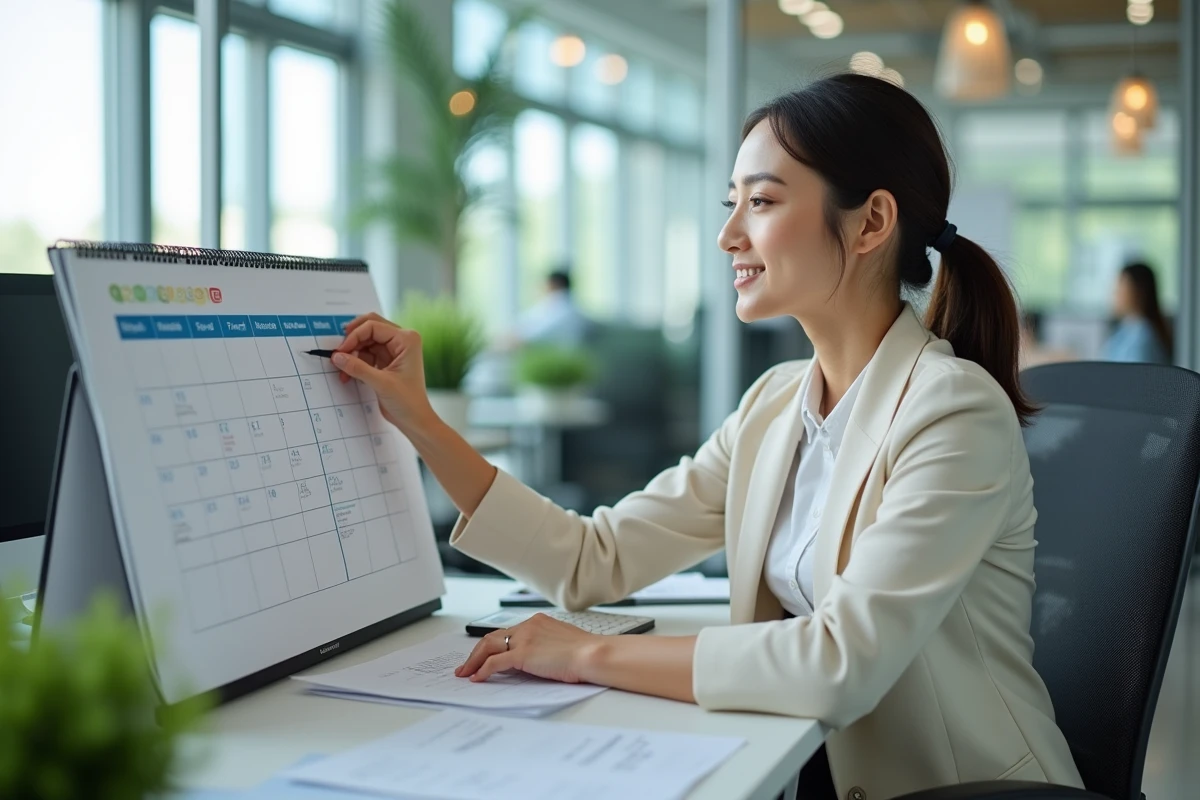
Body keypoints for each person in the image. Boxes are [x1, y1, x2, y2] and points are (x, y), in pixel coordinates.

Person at [330, 74, 1083, 799]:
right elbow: (595, 558)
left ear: (871, 223)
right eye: (733, 203)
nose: (728, 235)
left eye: (760, 201)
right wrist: (419, 422)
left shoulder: (952, 413)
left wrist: (587, 653)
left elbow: (839, 663)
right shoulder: (775, 405)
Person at [1102, 261, 1172, 364]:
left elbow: (1132, 377)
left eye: (1120, 288)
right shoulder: (1127, 329)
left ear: (1137, 292)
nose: (1115, 293)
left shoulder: (1142, 337)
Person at [510, 269, 591, 348]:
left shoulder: (561, 309)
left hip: (554, 353)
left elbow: (536, 333)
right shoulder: (565, 307)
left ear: (553, 284)